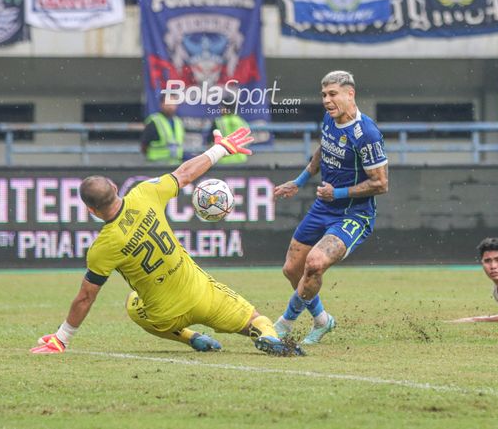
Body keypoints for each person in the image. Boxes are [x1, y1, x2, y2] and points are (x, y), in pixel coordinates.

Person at [31, 127, 304, 357]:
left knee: (133, 304)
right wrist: (220, 149)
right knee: (256, 319)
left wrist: (62, 338)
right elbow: (185, 173)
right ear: (115, 188)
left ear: (91, 210)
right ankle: (267, 336)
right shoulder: (145, 193)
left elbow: (85, 297)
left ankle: (190, 338)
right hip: (202, 296)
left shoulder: (102, 248)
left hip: (165, 315)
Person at [273, 70, 389, 344]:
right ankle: (323, 321)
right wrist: (299, 181)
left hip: (354, 214)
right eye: (324, 94)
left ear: (351, 94)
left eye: (332, 94)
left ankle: (283, 324)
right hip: (323, 207)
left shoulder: (367, 134)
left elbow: (381, 184)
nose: (326, 100)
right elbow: (324, 149)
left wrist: (336, 192)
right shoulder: (330, 118)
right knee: (292, 269)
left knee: (314, 263)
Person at [140, 94, 185, 164]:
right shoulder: (154, 121)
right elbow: (144, 145)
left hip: (176, 164)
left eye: (173, 104)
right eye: (168, 104)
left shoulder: (178, 121)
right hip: (156, 165)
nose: (170, 107)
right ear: (161, 104)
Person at [208, 98, 250, 165]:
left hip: (223, 162)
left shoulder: (218, 122)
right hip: (241, 161)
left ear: (225, 108)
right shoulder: (242, 122)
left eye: (221, 107)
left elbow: (210, 142)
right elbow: (247, 142)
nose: (220, 109)